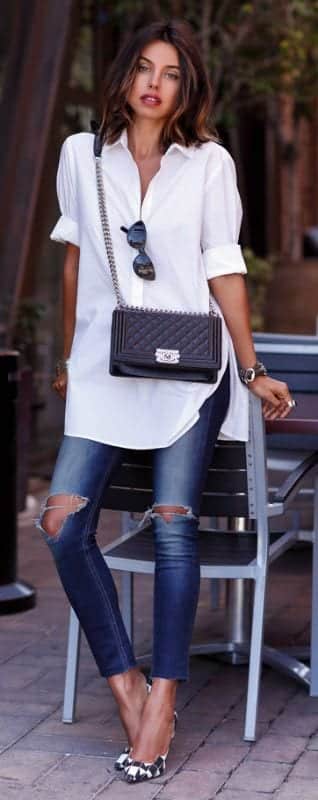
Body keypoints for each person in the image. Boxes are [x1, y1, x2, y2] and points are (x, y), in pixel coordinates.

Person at [37, 19, 295, 784]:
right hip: (106, 372)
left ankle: (163, 703)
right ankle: (126, 682)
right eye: (144, 69)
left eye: (172, 73)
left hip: (189, 371)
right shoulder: (80, 156)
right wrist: (69, 359)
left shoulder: (210, 163)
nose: (155, 82)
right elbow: (76, 264)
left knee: (176, 526)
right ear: (122, 78)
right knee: (61, 524)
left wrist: (249, 368)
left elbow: (224, 268)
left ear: (186, 88)